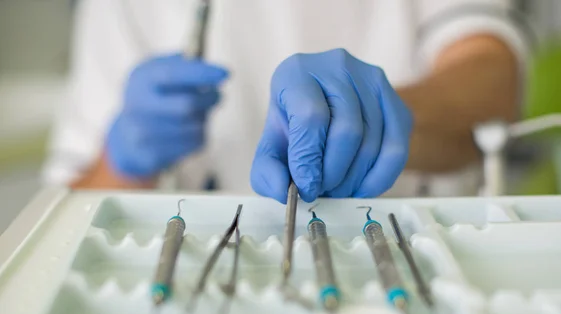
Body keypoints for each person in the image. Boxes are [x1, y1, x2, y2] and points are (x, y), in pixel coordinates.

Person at [43, 0, 528, 203]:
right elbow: (60, 224)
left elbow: (492, 83)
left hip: (412, 263)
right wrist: (124, 162)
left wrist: (379, 115)